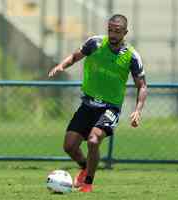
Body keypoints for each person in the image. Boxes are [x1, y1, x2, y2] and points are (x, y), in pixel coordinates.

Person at [48, 14, 147, 193]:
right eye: (110, 30)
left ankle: (88, 183)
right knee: (69, 146)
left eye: (117, 31)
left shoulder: (132, 56)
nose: (113, 34)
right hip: (87, 104)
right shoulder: (95, 43)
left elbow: (142, 85)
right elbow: (75, 56)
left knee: (93, 140)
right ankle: (85, 168)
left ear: (125, 32)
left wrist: (138, 110)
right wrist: (62, 66)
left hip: (110, 108)